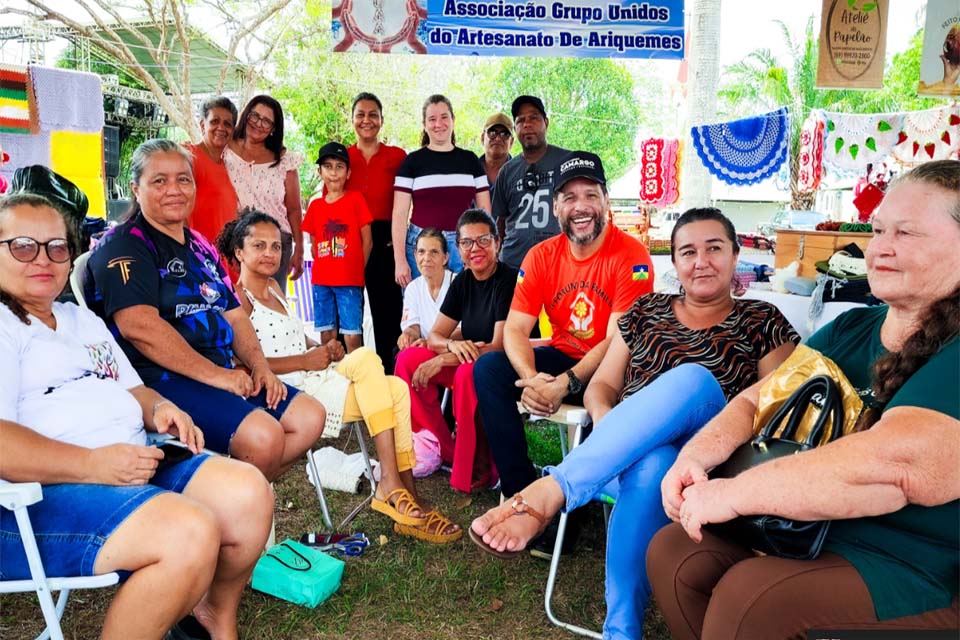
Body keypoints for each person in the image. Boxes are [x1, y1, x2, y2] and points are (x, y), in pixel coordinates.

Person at [646, 160, 960, 639]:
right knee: (675, 554)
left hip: (918, 562)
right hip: (808, 527)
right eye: (878, 230)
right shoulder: (853, 327)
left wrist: (733, 494)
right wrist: (694, 460)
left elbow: (894, 467)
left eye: (908, 234)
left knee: (754, 599)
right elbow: (756, 403)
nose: (880, 249)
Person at [470, 207, 800, 639]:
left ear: (736, 255)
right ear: (675, 263)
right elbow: (599, 389)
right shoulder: (646, 311)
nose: (701, 261)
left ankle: (554, 489)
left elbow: (777, 406)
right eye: (688, 251)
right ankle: (621, 631)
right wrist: (618, 434)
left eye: (714, 248)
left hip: (712, 465)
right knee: (653, 460)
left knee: (693, 380)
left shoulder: (764, 321)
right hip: (619, 461)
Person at [0, 193, 273, 640]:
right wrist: (94, 464)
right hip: (34, 501)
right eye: (23, 246)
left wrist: (163, 409)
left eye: (56, 247)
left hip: (133, 463)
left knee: (249, 494)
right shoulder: (4, 326)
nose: (43, 259)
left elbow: (134, 389)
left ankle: (212, 617)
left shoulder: (76, 319)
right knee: (188, 531)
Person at [86, 139, 324, 483]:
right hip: (162, 381)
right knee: (265, 437)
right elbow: (139, 327)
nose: (174, 190)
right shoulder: (125, 245)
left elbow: (235, 314)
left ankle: (239, 497)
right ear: (135, 188)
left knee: (309, 417)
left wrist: (260, 368)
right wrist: (219, 377)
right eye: (159, 180)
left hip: (223, 371)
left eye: (184, 179)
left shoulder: (198, 244)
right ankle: (235, 504)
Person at [220, 210, 461, 543]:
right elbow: (246, 366)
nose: (269, 253)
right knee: (370, 364)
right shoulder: (239, 302)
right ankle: (393, 487)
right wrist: (305, 358)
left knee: (394, 387)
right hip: (292, 393)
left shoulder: (275, 288)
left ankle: (404, 492)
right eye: (259, 245)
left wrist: (324, 349)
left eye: (276, 246)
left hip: (315, 374)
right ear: (239, 252)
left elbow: (291, 338)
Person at [473, 151, 654, 549]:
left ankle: (570, 505)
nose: (580, 207)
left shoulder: (632, 256)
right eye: (569, 198)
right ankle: (526, 498)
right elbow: (517, 330)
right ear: (556, 207)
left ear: (606, 201)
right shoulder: (541, 255)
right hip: (562, 356)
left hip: (614, 368)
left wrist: (565, 383)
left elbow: (615, 338)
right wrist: (532, 378)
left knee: (602, 392)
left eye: (590, 195)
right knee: (488, 370)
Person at [395, 210, 514, 493]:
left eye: (483, 240)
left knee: (465, 373)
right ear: (459, 248)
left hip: (496, 362)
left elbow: (498, 345)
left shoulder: (507, 279)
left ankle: (477, 465)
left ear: (497, 242)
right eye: (467, 243)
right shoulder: (463, 282)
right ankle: (441, 447)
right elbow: (436, 335)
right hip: (466, 356)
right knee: (409, 359)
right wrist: (450, 346)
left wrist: (445, 358)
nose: (475, 249)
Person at [392, 94, 491, 286]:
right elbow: (399, 213)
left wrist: (478, 249)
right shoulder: (411, 162)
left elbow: (484, 211)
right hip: (422, 246)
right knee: (420, 310)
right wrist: (400, 260)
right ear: (424, 124)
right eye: (432, 119)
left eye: (444, 117)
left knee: (464, 310)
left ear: (453, 120)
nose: (439, 124)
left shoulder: (470, 160)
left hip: (464, 246)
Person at [345, 92, 407, 373]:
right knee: (347, 317)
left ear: (382, 120)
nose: (366, 120)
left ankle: (392, 381)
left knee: (388, 319)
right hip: (349, 241)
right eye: (360, 114)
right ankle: (347, 382)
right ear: (353, 119)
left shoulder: (397, 156)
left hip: (386, 241)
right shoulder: (342, 157)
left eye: (373, 114)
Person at [225, 94, 304, 288]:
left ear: (274, 129)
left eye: (267, 121)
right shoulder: (225, 149)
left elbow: (294, 209)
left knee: (270, 307)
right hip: (236, 242)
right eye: (255, 116)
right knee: (234, 308)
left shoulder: (284, 161)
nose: (259, 124)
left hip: (275, 243)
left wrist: (299, 250)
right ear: (246, 116)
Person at [301, 141, 372, 353]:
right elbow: (314, 245)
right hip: (321, 280)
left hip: (350, 280)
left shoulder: (356, 199)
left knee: (352, 334)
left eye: (339, 167)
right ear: (320, 171)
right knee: (326, 333)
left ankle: (357, 376)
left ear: (348, 173)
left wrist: (357, 269)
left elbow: (367, 241)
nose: (334, 173)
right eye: (328, 166)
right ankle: (330, 378)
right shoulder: (315, 206)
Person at [490, 96, 570, 270]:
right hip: (513, 265)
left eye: (533, 118)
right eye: (520, 121)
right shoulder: (507, 171)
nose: (527, 124)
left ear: (546, 123)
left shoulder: (567, 161)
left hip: (558, 264)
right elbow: (500, 221)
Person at [183, 96, 239, 246]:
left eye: (227, 124)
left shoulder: (230, 167)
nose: (221, 128)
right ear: (202, 125)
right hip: (199, 256)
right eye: (215, 121)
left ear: (232, 131)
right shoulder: (188, 156)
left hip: (227, 259)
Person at [397, 226, 456, 351]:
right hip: (424, 347)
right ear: (415, 255)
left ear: (445, 257)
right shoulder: (413, 288)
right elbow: (413, 327)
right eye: (421, 252)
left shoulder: (457, 284)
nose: (426, 258)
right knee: (404, 355)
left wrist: (431, 343)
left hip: (452, 349)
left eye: (434, 252)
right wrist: (407, 336)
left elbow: (462, 331)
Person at [478, 112, 513, 190]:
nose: (498, 139)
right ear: (483, 138)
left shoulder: (520, 173)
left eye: (504, 134)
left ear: (511, 142)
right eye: (492, 133)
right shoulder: (469, 171)